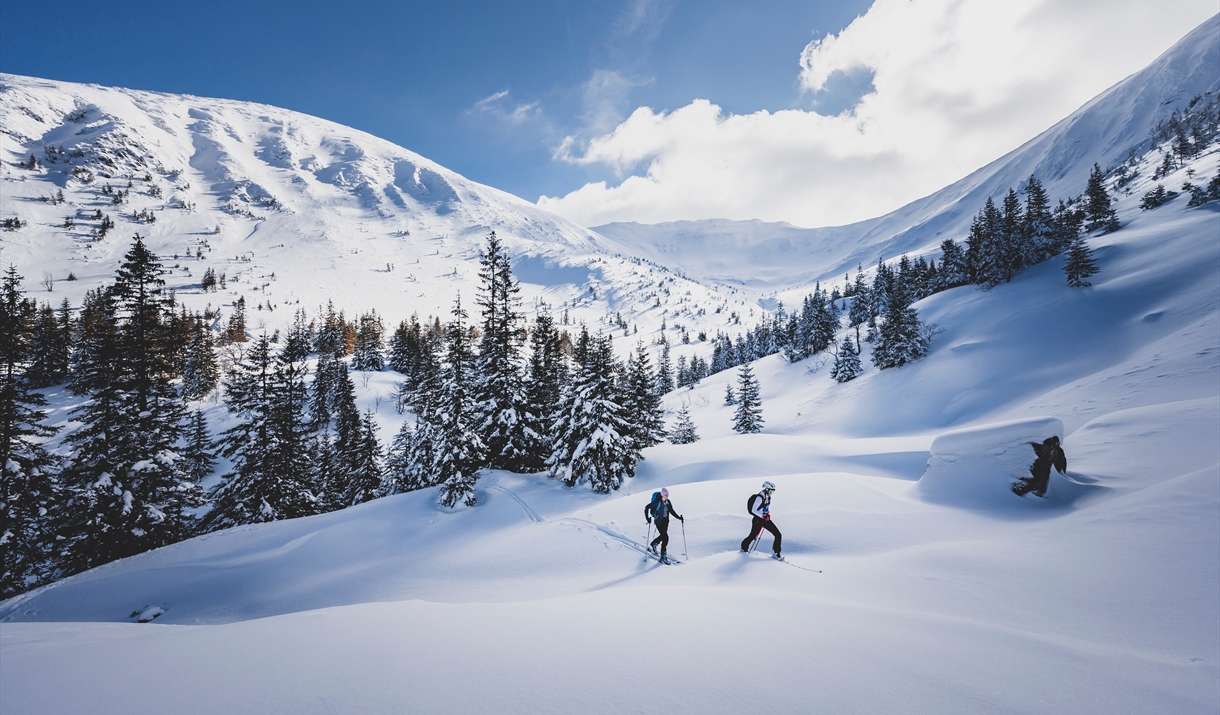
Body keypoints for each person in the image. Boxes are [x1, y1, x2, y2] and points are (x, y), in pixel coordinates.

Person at [740, 481, 782, 558]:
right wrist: (763, 516)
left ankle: (776, 552)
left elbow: (764, 507)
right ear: (766, 489)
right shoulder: (760, 497)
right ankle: (744, 547)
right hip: (758, 519)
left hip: (764, 519)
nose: (771, 493)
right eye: (770, 491)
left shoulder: (768, 496)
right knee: (753, 535)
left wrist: (767, 513)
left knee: (777, 535)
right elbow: (753, 510)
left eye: (773, 491)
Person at [644, 487, 684, 563]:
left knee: (663, 536)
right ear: (662, 494)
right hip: (659, 522)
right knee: (666, 538)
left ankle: (654, 544)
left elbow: (671, 511)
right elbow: (646, 507)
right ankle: (663, 556)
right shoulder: (657, 502)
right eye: (665, 495)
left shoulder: (668, 502)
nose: (667, 496)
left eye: (667, 494)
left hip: (666, 522)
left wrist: (679, 517)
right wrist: (647, 518)